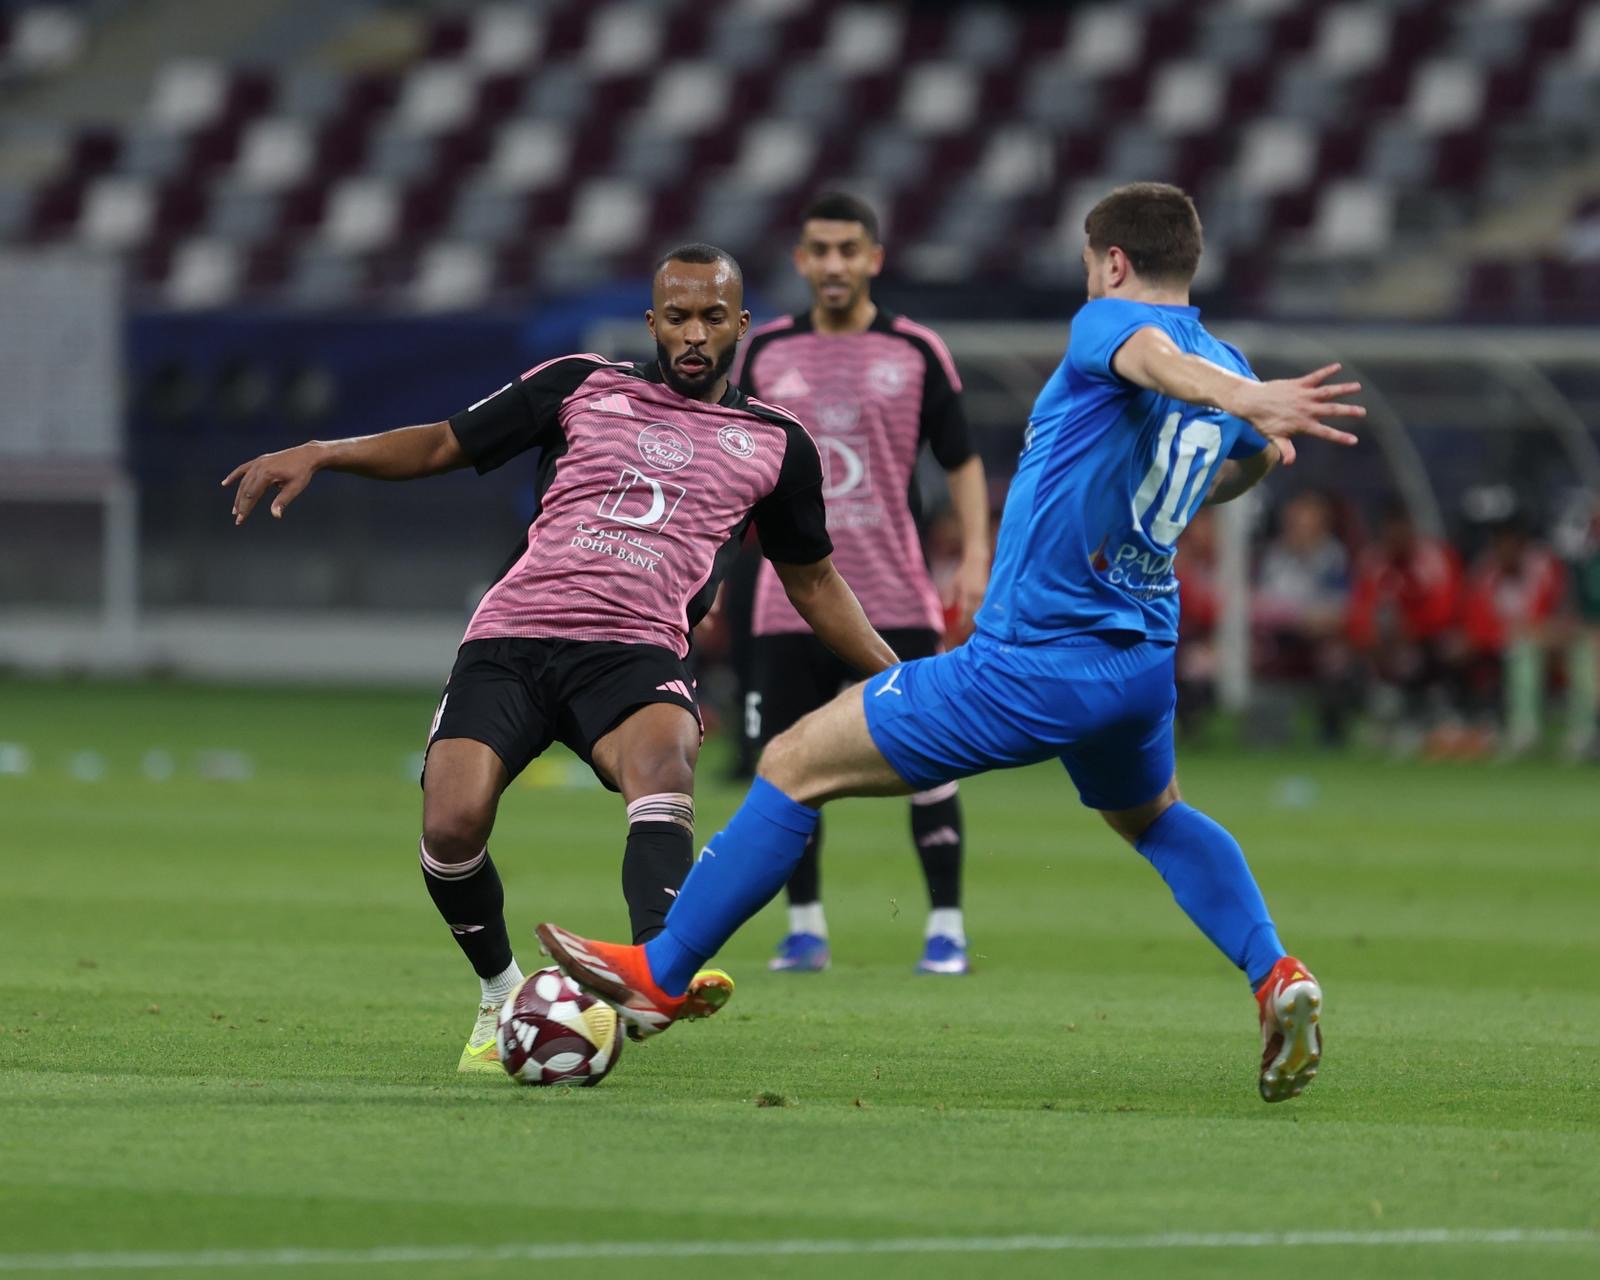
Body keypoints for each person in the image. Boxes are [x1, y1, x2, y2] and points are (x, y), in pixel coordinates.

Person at [537, 183, 1364, 1102]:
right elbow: (1245, 460)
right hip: (1138, 664)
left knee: (793, 762)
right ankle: (1275, 973)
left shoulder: (1114, 324)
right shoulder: (1225, 359)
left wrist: (1242, 396)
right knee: (1154, 816)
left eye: (1090, 266)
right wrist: (1247, 417)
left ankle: (659, 978)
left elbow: (1148, 356)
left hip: (1031, 662)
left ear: (1113, 262)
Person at [222, 244, 897, 1072]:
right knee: (450, 823)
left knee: (666, 762)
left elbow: (814, 581)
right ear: (652, 322)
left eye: (712, 317)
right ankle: (500, 992)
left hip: (636, 649)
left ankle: (656, 971)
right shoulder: (581, 383)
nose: (693, 333)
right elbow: (441, 444)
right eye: (677, 316)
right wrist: (325, 450)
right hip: (513, 636)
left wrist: (897, 675)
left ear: (741, 325)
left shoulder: (777, 443)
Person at [733, 191, 990, 976]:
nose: (835, 263)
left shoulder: (914, 350)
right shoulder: (765, 351)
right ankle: (804, 929)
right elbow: (729, 463)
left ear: (874, 258)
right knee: (786, 764)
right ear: (801, 260)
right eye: (821, 250)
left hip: (894, 595)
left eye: (849, 249)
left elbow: (961, 460)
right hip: (788, 601)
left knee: (930, 759)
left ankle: (945, 929)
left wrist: (976, 555)